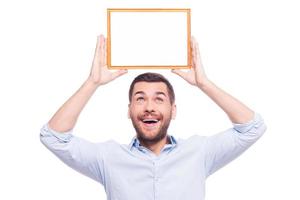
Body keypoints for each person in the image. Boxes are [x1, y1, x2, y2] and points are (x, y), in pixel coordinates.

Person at [40, 35, 266, 200]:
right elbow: (53, 137)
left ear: (173, 110)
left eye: (159, 99)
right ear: (129, 111)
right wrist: (93, 83)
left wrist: (204, 84)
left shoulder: (198, 152)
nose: (149, 107)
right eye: (140, 99)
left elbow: (253, 127)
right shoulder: (108, 158)